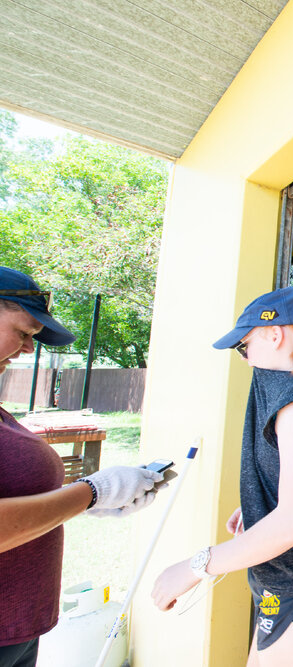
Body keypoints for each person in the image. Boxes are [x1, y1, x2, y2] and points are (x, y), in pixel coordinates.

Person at [151, 286, 293, 666]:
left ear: (273, 333)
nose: (246, 360)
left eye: (244, 347)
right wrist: (264, 499)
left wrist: (195, 567)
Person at [0, 267, 162, 667]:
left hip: (18, 628)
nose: (26, 349)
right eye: (23, 333)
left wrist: (85, 501)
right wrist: (90, 493)